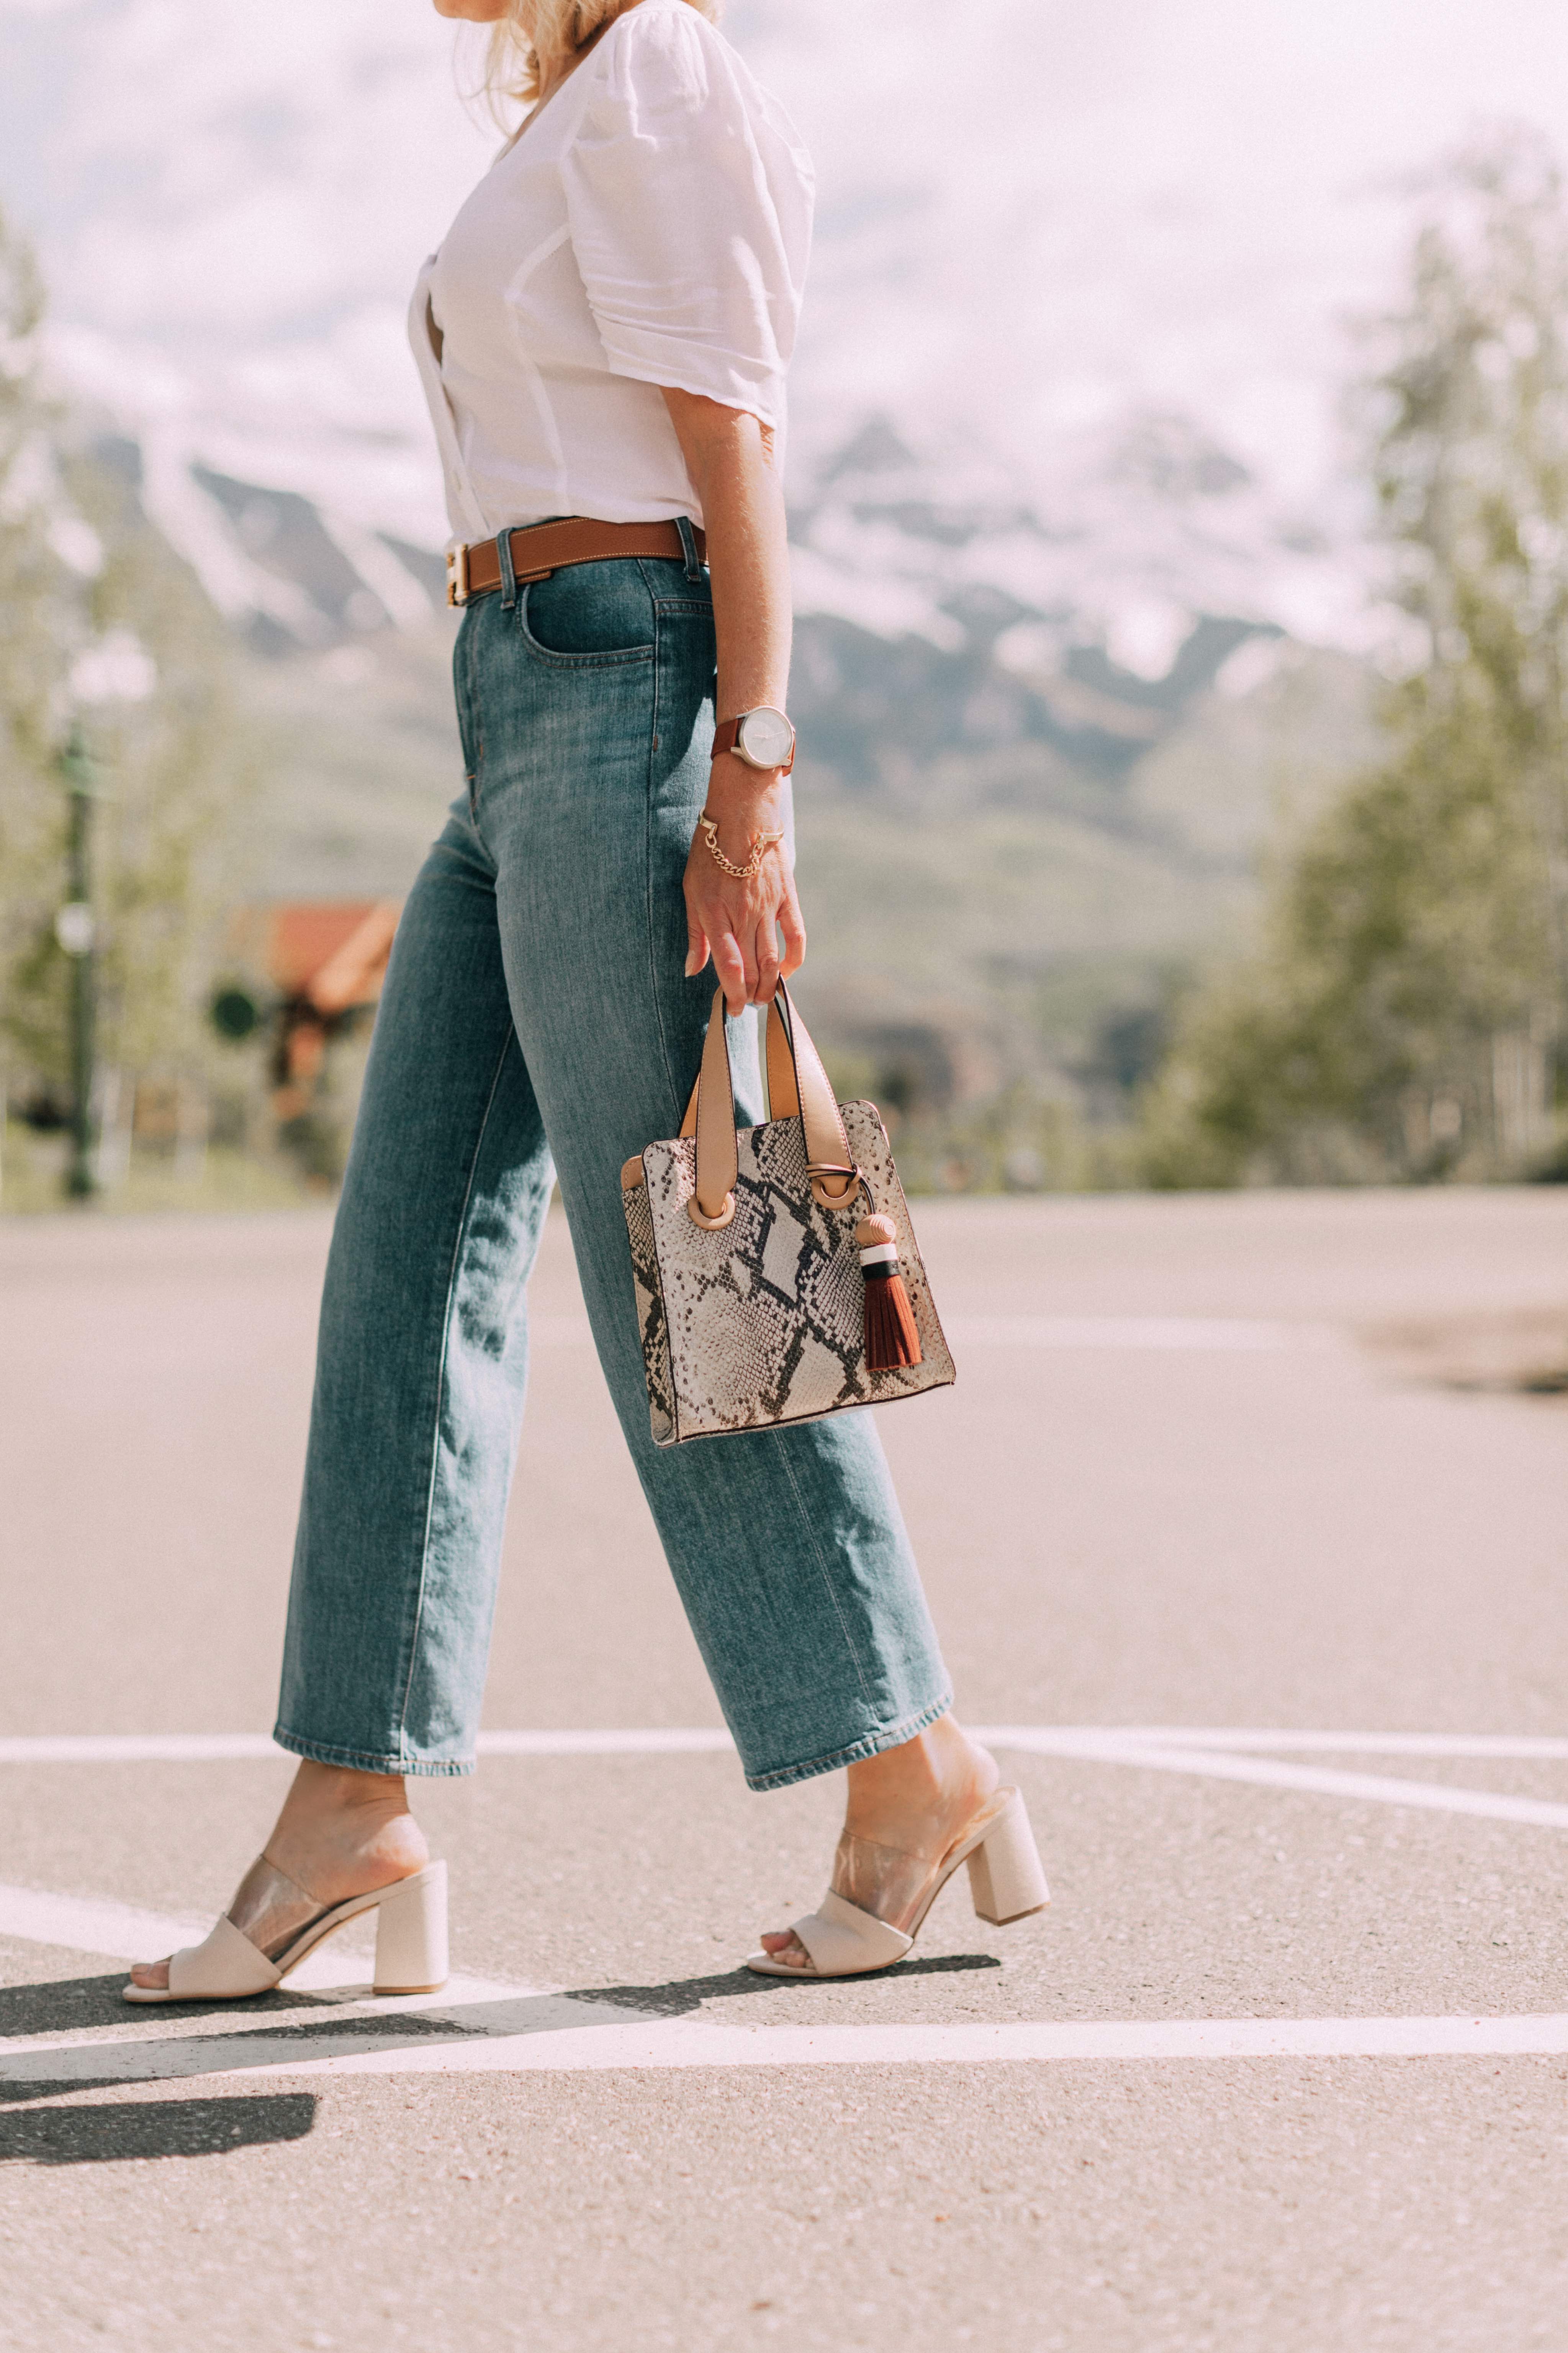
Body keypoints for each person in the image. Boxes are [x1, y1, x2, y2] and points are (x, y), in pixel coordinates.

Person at [127, 0, 1046, 2004]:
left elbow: (740, 444)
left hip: (625, 686)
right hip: (516, 700)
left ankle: (911, 1763)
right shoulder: (556, 123)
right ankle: (350, 1799)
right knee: (401, 1264)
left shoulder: (660, 70)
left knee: (698, 1268)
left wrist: (753, 777)